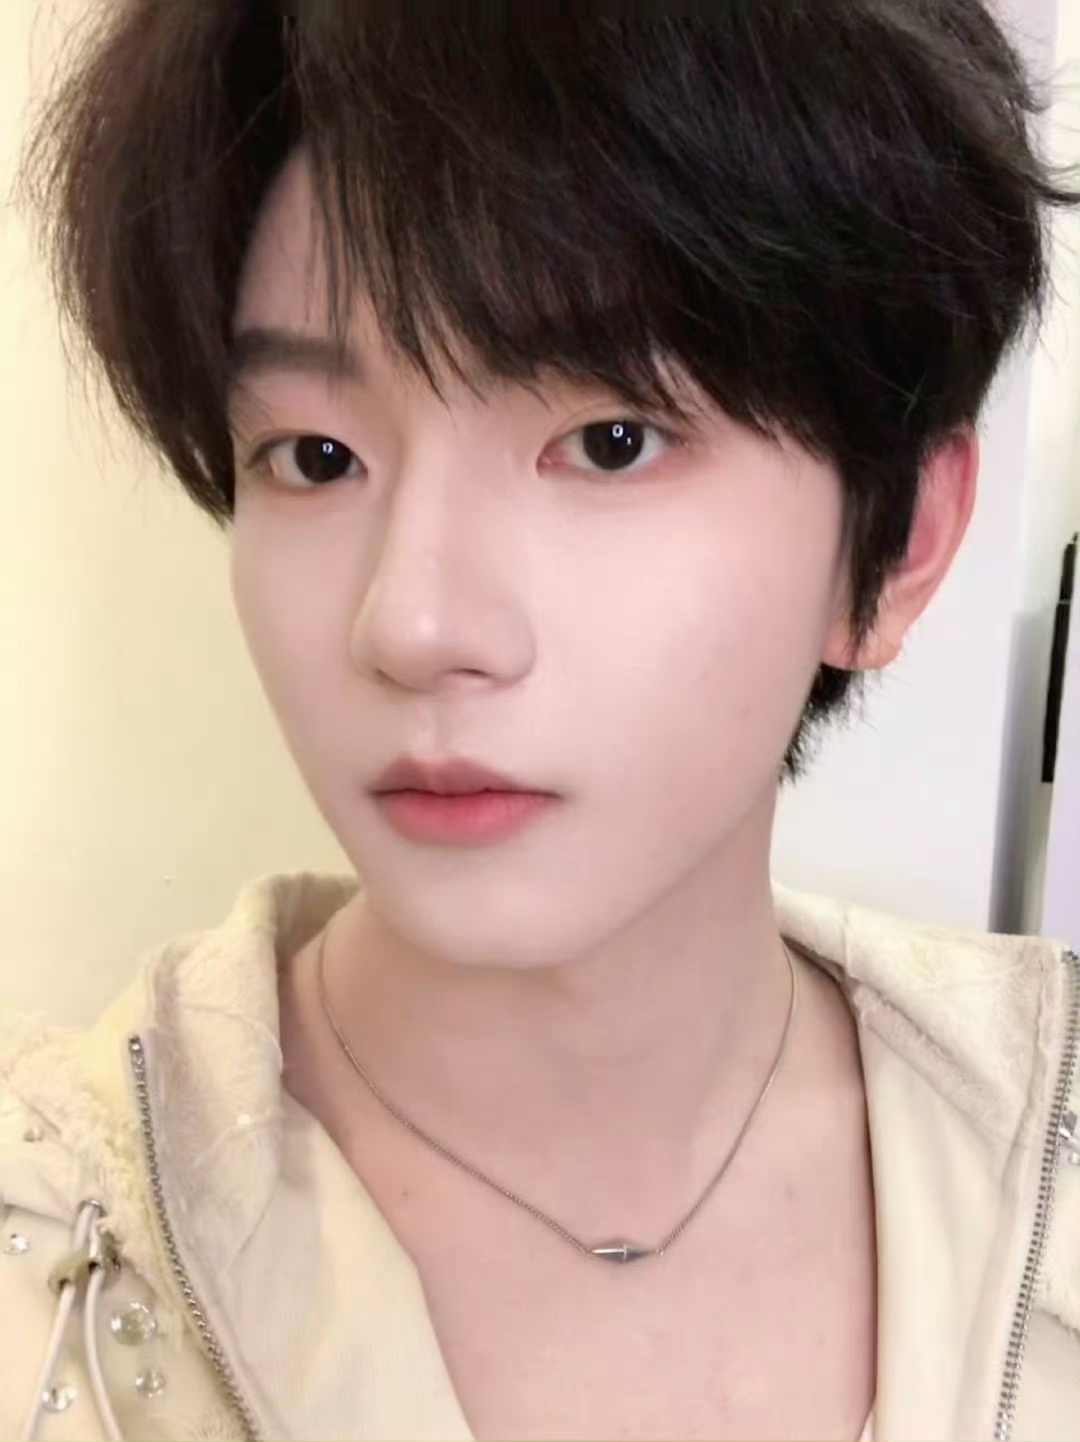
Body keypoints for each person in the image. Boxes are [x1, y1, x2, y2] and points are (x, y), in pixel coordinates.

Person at [2, 2, 1079, 1438]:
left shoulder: (1043, 1155)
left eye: (610, 441)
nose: (413, 623)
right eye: (315, 455)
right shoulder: (57, 1269)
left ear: (895, 550)